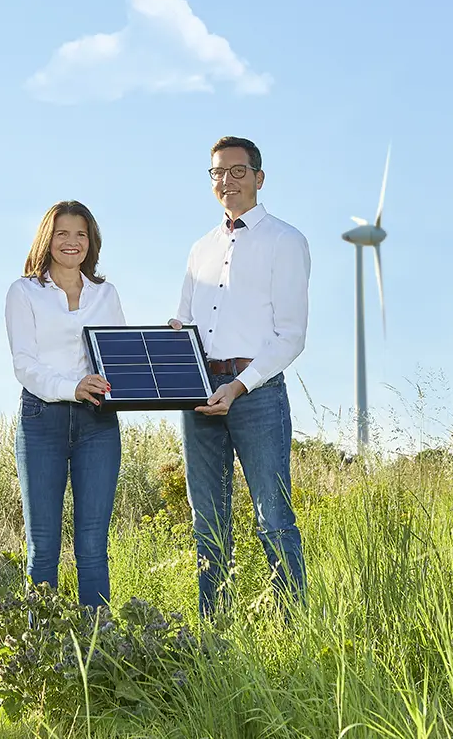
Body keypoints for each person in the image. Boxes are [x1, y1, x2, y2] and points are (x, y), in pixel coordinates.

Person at [168, 135, 311, 620]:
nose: (227, 181)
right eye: (217, 173)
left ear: (258, 177)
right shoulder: (199, 249)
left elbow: (291, 336)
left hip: (257, 394)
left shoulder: (285, 241)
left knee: (273, 518)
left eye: (237, 171)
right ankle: (214, 632)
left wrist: (239, 385)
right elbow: (184, 322)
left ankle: (293, 628)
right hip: (197, 395)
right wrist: (167, 342)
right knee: (206, 522)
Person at [4, 201, 125, 610]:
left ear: (91, 242)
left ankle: (101, 650)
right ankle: (42, 652)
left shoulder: (106, 295)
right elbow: (25, 365)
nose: (72, 242)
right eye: (62, 234)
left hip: (98, 424)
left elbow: (118, 358)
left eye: (80, 235)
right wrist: (72, 387)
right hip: (42, 421)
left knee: (92, 545)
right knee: (43, 546)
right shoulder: (24, 292)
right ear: (47, 239)